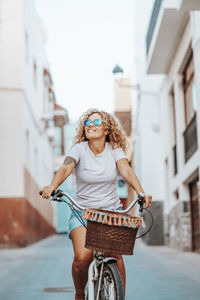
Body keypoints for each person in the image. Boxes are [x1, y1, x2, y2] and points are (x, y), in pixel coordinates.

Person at [41, 108, 152, 300]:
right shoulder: (79, 149)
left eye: (97, 122)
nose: (90, 125)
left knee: (115, 255)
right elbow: (66, 166)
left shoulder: (114, 150)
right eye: (87, 122)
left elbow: (126, 170)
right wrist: (52, 185)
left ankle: (119, 295)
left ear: (107, 129)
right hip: (82, 213)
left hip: (110, 212)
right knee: (82, 258)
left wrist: (141, 192)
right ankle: (79, 294)